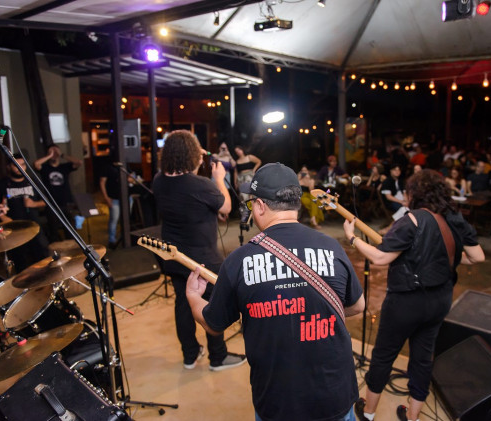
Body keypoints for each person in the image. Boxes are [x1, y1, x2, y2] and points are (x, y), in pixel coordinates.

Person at [186, 162, 365, 421]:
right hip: (335, 396)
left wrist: (193, 297)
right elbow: (358, 305)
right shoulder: (332, 247)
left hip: (278, 403)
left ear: (260, 206)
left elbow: (213, 325)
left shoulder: (239, 261)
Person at [344, 169, 485, 421]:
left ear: (415, 194)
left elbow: (380, 258)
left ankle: (368, 413)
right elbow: (477, 257)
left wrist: (352, 238)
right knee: (422, 359)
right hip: (440, 300)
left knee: (384, 355)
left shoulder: (412, 220)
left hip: (406, 302)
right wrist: (444, 258)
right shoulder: (454, 218)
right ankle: (412, 416)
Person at [152, 130, 246, 371]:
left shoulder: (158, 180)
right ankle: (218, 357)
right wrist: (219, 178)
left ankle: (190, 355)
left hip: (174, 256)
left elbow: (189, 202)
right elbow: (226, 207)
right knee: (213, 305)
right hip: (203, 259)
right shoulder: (201, 185)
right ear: (192, 155)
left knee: (183, 304)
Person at [0, 154, 50, 272]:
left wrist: (33, 204)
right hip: (14, 230)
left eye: (22, 164)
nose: (20, 167)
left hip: (34, 227)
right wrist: (2, 216)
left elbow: (46, 202)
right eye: (16, 165)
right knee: (20, 262)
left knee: (42, 258)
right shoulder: (2, 185)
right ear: (9, 167)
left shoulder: (33, 182)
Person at [34, 145, 82, 241]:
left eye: (56, 152)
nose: (54, 154)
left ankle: (71, 247)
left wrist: (62, 155)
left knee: (69, 229)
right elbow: (36, 164)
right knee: (53, 230)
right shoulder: (45, 168)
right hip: (51, 203)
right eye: (51, 152)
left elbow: (79, 162)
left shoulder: (64, 167)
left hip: (66, 202)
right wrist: (49, 155)